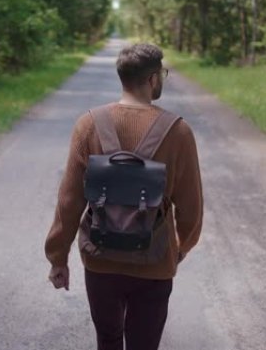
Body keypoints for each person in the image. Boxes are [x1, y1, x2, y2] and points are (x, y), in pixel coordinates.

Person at [44, 43, 203, 350]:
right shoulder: (178, 132)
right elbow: (191, 207)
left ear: (123, 78)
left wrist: (58, 258)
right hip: (155, 260)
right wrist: (181, 247)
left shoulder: (89, 124)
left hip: (101, 260)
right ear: (153, 79)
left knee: (108, 340)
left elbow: (69, 201)